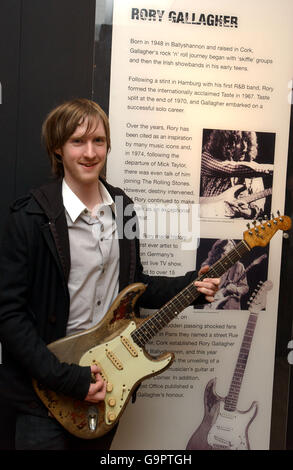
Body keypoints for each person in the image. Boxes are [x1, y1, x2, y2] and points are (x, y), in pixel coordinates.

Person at [0, 98, 220, 450]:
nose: (90, 152)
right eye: (77, 141)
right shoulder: (29, 218)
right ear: (57, 149)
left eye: (98, 141)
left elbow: (135, 286)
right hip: (44, 398)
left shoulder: (123, 206)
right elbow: (8, 316)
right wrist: (69, 379)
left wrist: (191, 285)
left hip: (106, 385)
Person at [199, 130, 273, 219]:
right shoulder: (206, 159)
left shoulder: (253, 171)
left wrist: (249, 213)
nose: (245, 147)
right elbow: (233, 169)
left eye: (246, 141)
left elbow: (259, 207)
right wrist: (274, 169)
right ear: (227, 144)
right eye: (239, 141)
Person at [201, 240, 249, 310]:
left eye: (233, 246)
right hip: (212, 306)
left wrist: (235, 289)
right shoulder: (209, 265)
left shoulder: (239, 266)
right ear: (221, 249)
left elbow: (245, 288)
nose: (233, 248)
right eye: (229, 245)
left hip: (231, 307)